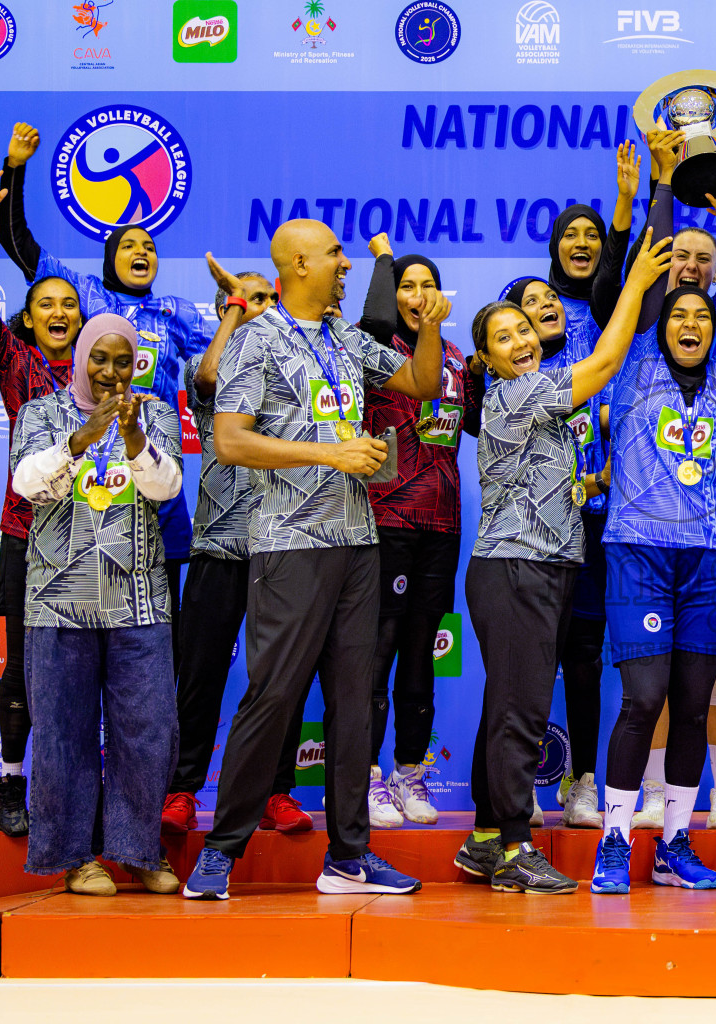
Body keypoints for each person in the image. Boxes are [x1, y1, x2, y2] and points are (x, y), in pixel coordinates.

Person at [182, 219, 447, 900]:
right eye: (334, 254)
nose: (345, 264)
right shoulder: (257, 340)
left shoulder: (346, 338)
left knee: (354, 703)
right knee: (272, 697)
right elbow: (230, 440)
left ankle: (350, 856)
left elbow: (423, 384)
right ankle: (221, 851)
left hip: (358, 544)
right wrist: (332, 453)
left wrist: (428, 328)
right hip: (290, 546)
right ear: (298, 264)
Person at [461, 235, 671, 894]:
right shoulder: (516, 394)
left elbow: (546, 481)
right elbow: (605, 360)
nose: (521, 340)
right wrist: (634, 284)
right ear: (486, 360)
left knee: (508, 704)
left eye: (524, 329)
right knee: (520, 713)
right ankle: (514, 849)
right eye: (504, 337)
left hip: (539, 568)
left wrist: (590, 482)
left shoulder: (539, 401)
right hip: (516, 569)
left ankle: (484, 839)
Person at [588, 166, 716, 895]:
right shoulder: (633, 364)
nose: (690, 323)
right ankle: (614, 840)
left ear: (715, 329)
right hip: (639, 550)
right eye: (677, 314)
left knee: (692, 705)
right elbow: (654, 279)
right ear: (660, 323)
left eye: (703, 317)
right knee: (643, 700)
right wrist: (661, 184)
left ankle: (674, 842)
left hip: (712, 558)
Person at [0, 122, 208, 656]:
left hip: (150, 467)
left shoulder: (177, 312)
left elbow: (226, 360)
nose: (142, 251)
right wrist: (15, 168)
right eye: (129, 244)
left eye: (150, 246)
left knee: (159, 625)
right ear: (110, 256)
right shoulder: (87, 294)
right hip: (89, 474)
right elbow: (18, 244)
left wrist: (240, 309)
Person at [11, 313, 184, 896]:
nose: (111, 372)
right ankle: (75, 857)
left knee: (148, 730)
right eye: (100, 359)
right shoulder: (41, 413)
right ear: (82, 357)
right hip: (59, 603)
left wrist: (133, 439)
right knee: (63, 733)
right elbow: (26, 483)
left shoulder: (154, 414)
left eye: (122, 361)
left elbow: (166, 487)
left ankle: (138, 850)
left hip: (138, 602)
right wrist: (79, 439)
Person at [164, 262, 313, 835]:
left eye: (265, 297)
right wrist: (235, 310)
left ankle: (275, 791)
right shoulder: (215, 362)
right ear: (223, 306)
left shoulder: (295, 370)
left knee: (278, 679)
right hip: (217, 549)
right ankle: (182, 790)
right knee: (199, 674)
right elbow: (206, 382)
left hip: (283, 546)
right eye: (241, 298)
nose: (254, 305)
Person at [0, 171, 82, 838]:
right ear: (31, 318)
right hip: (25, 535)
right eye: (46, 304)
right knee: (21, 665)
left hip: (91, 541)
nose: (59, 312)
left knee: (83, 672)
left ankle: (77, 788)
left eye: (69, 303)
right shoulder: (15, 363)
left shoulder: (103, 369)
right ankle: (12, 781)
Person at [359, 234, 483, 829]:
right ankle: (364, 776)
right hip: (385, 519)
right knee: (377, 648)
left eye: (427, 284)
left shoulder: (455, 358)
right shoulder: (370, 348)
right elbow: (374, 320)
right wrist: (383, 263)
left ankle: (409, 771)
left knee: (420, 651)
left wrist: (483, 368)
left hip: (442, 521)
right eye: (406, 286)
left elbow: (477, 421)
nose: (417, 295)